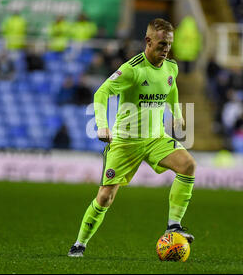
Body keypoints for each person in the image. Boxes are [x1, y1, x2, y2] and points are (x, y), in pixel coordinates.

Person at [68, 18, 197, 257]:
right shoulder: (132, 70)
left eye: (169, 44)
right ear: (148, 41)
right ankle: (79, 244)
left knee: (188, 165)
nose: (166, 48)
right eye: (161, 44)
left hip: (156, 138)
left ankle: (173, 225)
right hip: (125, 142)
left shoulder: (171, 67)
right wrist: (103, 126)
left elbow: (172, 89)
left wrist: (177, 115)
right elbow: (101, 93)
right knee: (105, 198)